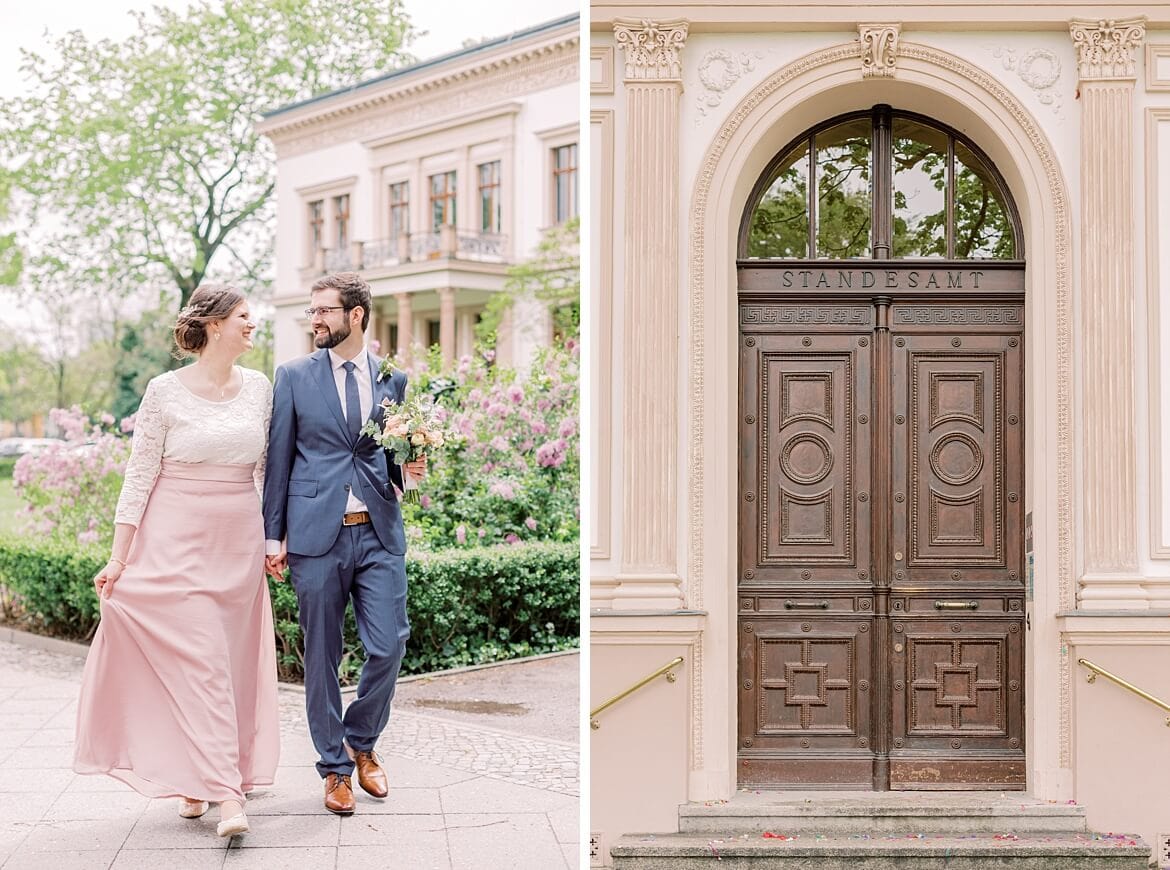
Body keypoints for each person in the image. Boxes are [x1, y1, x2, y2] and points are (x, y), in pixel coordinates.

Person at [73, 284, 279, 839]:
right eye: (243, 317)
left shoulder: (260, 388)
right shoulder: (164, 391)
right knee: (203, 662)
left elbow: (265, 471)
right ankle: (229, 796)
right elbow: (140, 475)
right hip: (174, 542)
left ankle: (194, 780)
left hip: (236, 545)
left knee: (227, 667)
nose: (251, 325)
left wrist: (270, 541)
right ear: (214, 325)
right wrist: (119, 558)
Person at [262, 271, 426, 815]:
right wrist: (272, 536)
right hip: (315, 536)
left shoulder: (393, 381)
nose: (315, 319)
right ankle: (333, 769)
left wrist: (411, 467)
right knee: (323, 656)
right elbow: (280, 461)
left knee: (390, 644)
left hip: (379, 533)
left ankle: (361, 739)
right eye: (312, 310)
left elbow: (391, 460)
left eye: (325, 311)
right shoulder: (292, 377)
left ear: (356, 315)